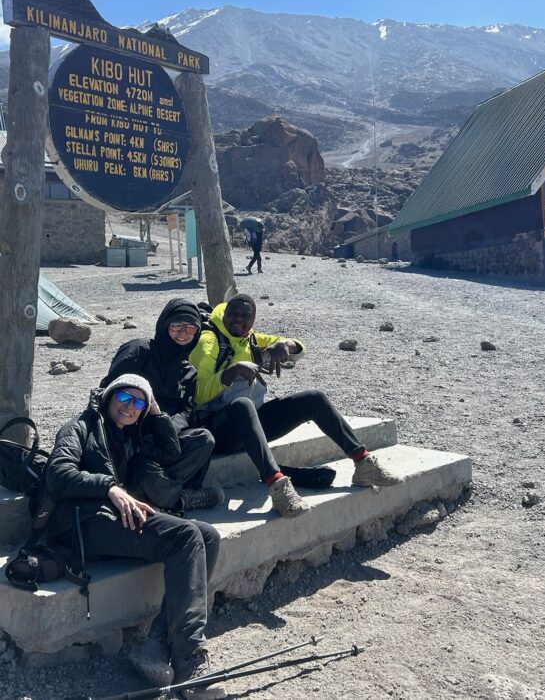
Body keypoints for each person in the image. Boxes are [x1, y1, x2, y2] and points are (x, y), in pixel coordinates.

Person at [44, 374, 226, 699]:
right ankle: (190, 662)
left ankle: (154, 646)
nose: (130, 407)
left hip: (116, 520)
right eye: (124, 399)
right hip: (83, 524)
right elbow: (58, 474)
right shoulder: (81, 427)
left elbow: (172, 450)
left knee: (208, 536)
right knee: (185, 536)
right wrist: (109, 487)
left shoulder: (131, 436)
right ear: (109, 398)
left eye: (137, 402)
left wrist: (154, 409)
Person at [188, 294, 400, 518]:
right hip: (217, 432)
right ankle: (277, 487)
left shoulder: (249, 338)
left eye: (245, 316)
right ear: (225, 314)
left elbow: (299, 348)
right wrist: (232, 371)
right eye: (233, 314)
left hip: (250, 426)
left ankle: (363, 462)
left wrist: (284, 345)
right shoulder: (209, 342)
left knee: (313, 398)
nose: (238, 320)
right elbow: (198, 395)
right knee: (242, 405)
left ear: (254, 319)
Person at [101, 298, 224, 513]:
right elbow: (110, 391)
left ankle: (158, 493)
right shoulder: (139, 351)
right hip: (127, 438)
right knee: (142, 470)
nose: (183, 333)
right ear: (164, 324)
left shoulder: (188, 371)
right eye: (177, 326)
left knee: (204, 440)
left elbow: (187, 410)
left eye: (190, 328)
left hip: (162, 440)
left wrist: (167, 431)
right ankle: (179, 500)